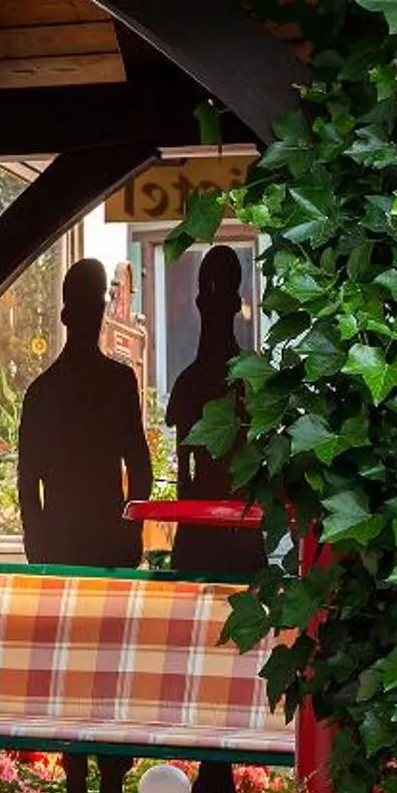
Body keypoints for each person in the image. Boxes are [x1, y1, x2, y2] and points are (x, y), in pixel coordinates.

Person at [16, 259, 149, 572]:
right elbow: (140, 468)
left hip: (63, 544)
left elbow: (27, 483)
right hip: (106, 544)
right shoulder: (118, 382)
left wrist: (38, 545)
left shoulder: (41, 391)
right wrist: (129, 532)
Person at [162, 244, 264, 577]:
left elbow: (183, 476)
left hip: (205, 528)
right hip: (236, 522)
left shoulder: (190, 382)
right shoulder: (253, 378)